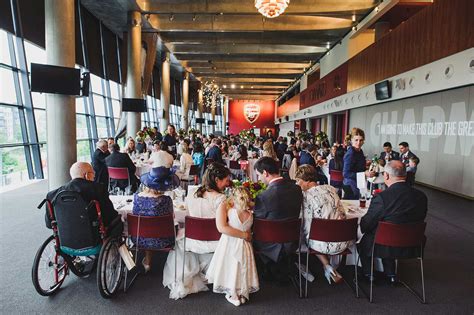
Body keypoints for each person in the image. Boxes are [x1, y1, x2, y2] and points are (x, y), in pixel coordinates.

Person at [162, 163, 232, 299]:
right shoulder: (220, 198)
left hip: (192, 240)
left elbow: (187, 215)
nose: (227, 183)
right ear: (217, 180)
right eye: (226, 180)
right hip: (214, 242)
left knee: (180, 237)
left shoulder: (192, 193)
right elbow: (222, 225)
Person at [359, 160, 428, 284]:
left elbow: (366, 224)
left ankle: (369, 274)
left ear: (386, 175)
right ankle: (391, 274)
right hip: (413, 243)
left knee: (366, 238)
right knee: (388, 232)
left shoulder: (382, 197)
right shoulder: (421, 196)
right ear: (405, 175)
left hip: (385, 245)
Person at [295, 165, 350, 284]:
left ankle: (321, 266)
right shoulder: (330, 189)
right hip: (343, 240)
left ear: (308, 181)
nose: (297, 184)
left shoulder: (305, 196)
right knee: (323, 231)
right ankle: (329, 267)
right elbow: (343, 214)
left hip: (322, 244)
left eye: (299, 181)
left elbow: (306, 225)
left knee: (304, 235)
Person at [253, 157, 303, 284]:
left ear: (265, 173)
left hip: (270, 242)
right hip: (293, 239)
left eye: (259, 175)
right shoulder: (297, 189)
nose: (259, 179)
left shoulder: (264, 196)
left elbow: (256, 220)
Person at [206, 187, 259, 306]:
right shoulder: (250, 214)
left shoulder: (230, 211)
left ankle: (233, 294)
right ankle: (241, 292)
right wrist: (247, 236)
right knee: (241, 267)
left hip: (229, 243)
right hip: (245, 244)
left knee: (230, 266)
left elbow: (223, 227)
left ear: (234, 198)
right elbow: (249, 231)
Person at [45, 162, 122, 236]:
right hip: (93, 237)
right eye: (93, 173)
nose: (94, 176)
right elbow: (110, 216)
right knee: (118, 222)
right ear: (87, 175)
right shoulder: (98, 189)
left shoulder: (52, 195)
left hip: (66, 239)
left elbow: (49, 224)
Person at [132, 167, 177, 273]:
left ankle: (147, 262)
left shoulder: (136, 197)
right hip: (163, 240)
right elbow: (172, 218)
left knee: (147, 229)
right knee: (161, 228)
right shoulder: (166, 200)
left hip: (139, 238)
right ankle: (172, 265)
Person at [342, 128, 375, 199]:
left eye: (361, 140)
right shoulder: (351, 153)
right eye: (356, 140)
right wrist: (364, 174)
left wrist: (366, 168)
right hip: (350, 185)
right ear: (351, 140)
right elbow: (345, 173)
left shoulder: (360, 151)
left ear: (363, 141)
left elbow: (358, 168)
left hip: (358, 183)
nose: (358, 142)